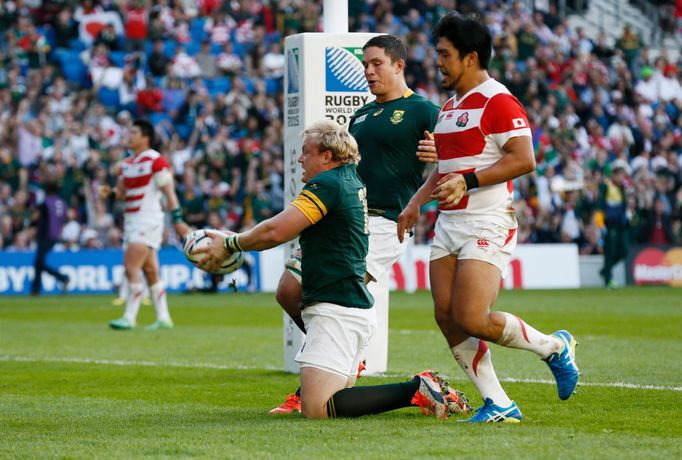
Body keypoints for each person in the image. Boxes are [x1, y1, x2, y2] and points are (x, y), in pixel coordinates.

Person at [195, 120, 470, 419]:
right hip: (350, 308)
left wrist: (230, 243)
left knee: (316, 409)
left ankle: (416, 388)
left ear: (327, 156)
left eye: (306, 152)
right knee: (338, 401)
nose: (300, 159)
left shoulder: (328, 184)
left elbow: (276, 231)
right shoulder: (350, 179)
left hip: (335, 309)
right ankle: (416, 389)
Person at [397, 12, 579, 423]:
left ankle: (554, 347)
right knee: (446, 315)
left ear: (470, 57)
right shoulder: (449, 107)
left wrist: (470, 181)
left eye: (444, 54)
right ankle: (499, 403)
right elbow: (446, 171)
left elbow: (524, 159)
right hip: (448, 224)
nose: (437, 61)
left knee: (472, 317)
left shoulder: (499, 101)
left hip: (488, 221)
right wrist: (416, 202)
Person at [270, 34, 441, 414]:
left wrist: (441, 152)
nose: (368, 70)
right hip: (349, 220)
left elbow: (459, 157)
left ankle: (321, 380)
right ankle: (341, 359)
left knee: (337, 295)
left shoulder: (424, 111)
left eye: (376, 63)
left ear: (399, 64)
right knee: (288, 290)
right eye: (364, 64)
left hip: (385, 223)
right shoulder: (361, 115)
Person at [109, 119, 189, 331]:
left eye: (133, 132)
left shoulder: (156, 161)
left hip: (148, 220)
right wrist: (109, 193)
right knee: (151, 271)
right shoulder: (125, 165)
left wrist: (178, 219)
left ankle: (129, 317)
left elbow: (169, 193)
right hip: (131, 221)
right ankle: (164, 318)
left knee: (130, 266)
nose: (129, 135)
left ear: (145, 137)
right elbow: (121, 194)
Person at [30, 178, 69, 295]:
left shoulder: (45, 202)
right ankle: (35, 289)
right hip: (55, 235)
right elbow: (63, 219)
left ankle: (62, 278)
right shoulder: (62, 202)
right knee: (38, 262)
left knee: (39, 262)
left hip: (44, 235)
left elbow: (35, 217)